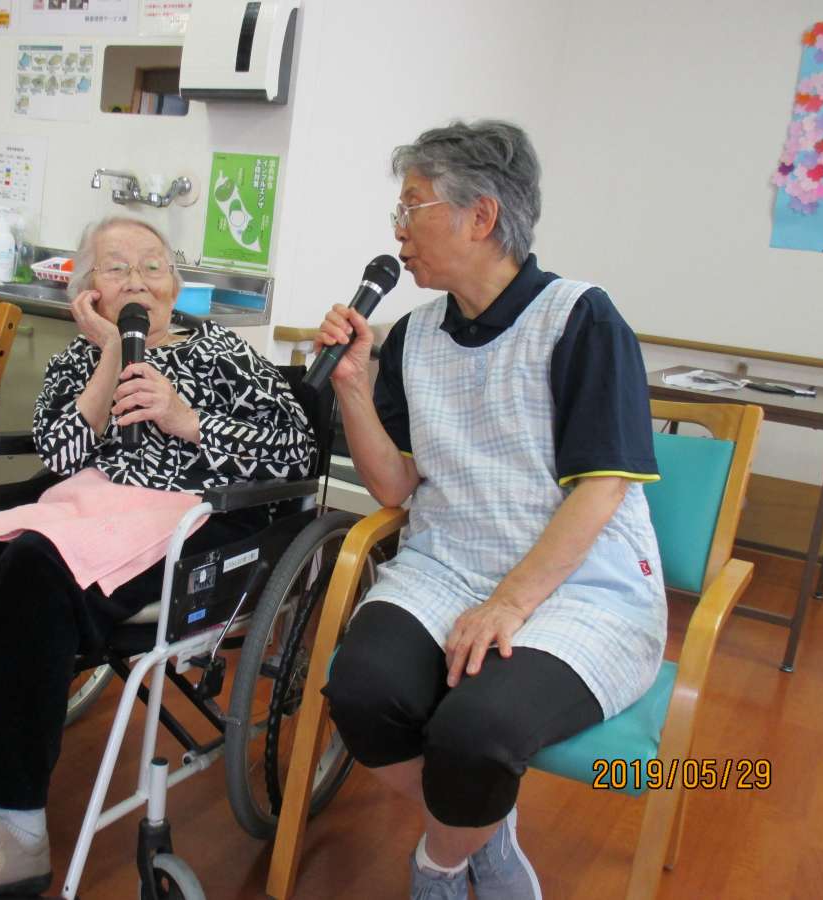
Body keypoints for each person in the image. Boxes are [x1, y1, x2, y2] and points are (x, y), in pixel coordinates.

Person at [0, 215, 314, 897]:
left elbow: (296, 452)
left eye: (152, 266)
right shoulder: (77, 360)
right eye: (116, 268)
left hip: (191, 516)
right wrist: (111, 355)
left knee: (34, 565)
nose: (138, 280)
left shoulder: (224, 352)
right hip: (86, 504)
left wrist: (186, 419)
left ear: (175, 284)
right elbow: (59, 457)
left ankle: (15, 824)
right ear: (88, 291)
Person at [316, 121, 665, 899]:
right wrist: (353, 386)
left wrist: (508, 603)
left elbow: (603, 488)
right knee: (362, 694)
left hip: (580, 588)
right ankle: (482, 829)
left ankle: (439, 864)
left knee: (476, 730)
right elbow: (394, 487)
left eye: (412, 208)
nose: (398, 231)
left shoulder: (581, 319)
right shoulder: (415, 335)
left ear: (481, 217)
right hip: (446, 568)